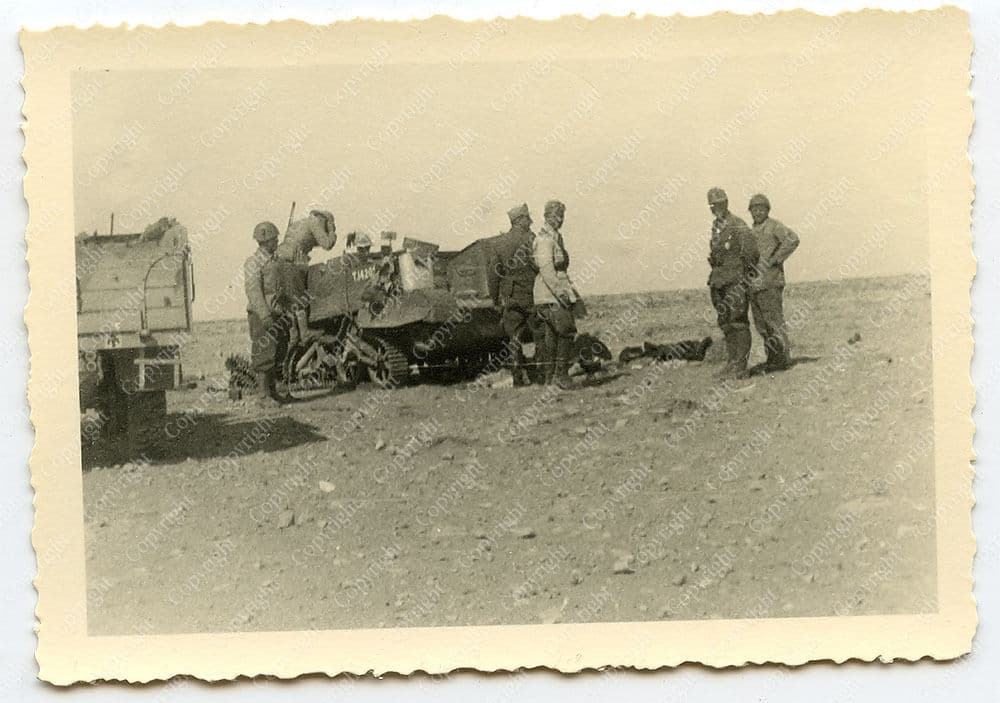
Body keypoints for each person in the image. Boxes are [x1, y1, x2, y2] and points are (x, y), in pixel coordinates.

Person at [706, 187, 759, 379]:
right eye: (712, 205)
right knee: (725, 322)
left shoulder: (737, 225)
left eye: (719, 204)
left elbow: (752, 253)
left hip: (735, 280)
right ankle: (732, 361)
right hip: (719, 281)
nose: (715, 208)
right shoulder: (716, 227)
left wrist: (743, 277)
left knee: (738, 322)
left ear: (726, 203)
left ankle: (741, 366)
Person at [533, 200, 583, 389]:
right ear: (546, 217)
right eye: (556, 216)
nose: (560, 220)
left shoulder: (554, 237)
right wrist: (561, 293)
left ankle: (550, 378)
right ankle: (560, 375)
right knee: (566, 330)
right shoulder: (545, 240)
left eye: (561, 216)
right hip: (550, 294)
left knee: (552, 335)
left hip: (551, 293)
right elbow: (547, 270)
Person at [747, 193, 800, 371]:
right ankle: (772, 359)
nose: (757, 212)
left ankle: (783, 360)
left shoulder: (773, 226)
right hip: (754, 285)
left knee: (774, 322)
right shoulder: (750, 230)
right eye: (754, 209)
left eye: (761, 209)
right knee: (762, 325)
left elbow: (792, 239)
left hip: (770, 282)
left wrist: (776, 259)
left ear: (767, 210)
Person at [273, 209, 337, 349]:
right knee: (300, 300)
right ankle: (305, 333)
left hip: (279, 263)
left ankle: (295, 334)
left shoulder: (300, 223)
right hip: (291, 264)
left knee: (291, 301)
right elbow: (327, 244)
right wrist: (332, 231)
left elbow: (308, 242)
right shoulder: (314, 223)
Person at [492, 203, 537, 386]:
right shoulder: (532, 238)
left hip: (511, 295)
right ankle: (541, 373)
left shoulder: (500, 242)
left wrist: (495, 298)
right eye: (527, 218)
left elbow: (493, 274)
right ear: (520, 220)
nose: (530, 221)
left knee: (514, 338)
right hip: (533, 292)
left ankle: (518, 378)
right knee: (539, 333)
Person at [243, 221, 283, 405]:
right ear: (265, 240)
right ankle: (262, 396)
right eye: (274, 239)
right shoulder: (254, 262)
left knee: (274, 353)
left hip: (275, 313)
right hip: (261, 316)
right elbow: (254, 291)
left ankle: (272, 393)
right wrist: (264, 314)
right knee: (263, 354)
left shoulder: (275, 260)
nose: (277, 241)